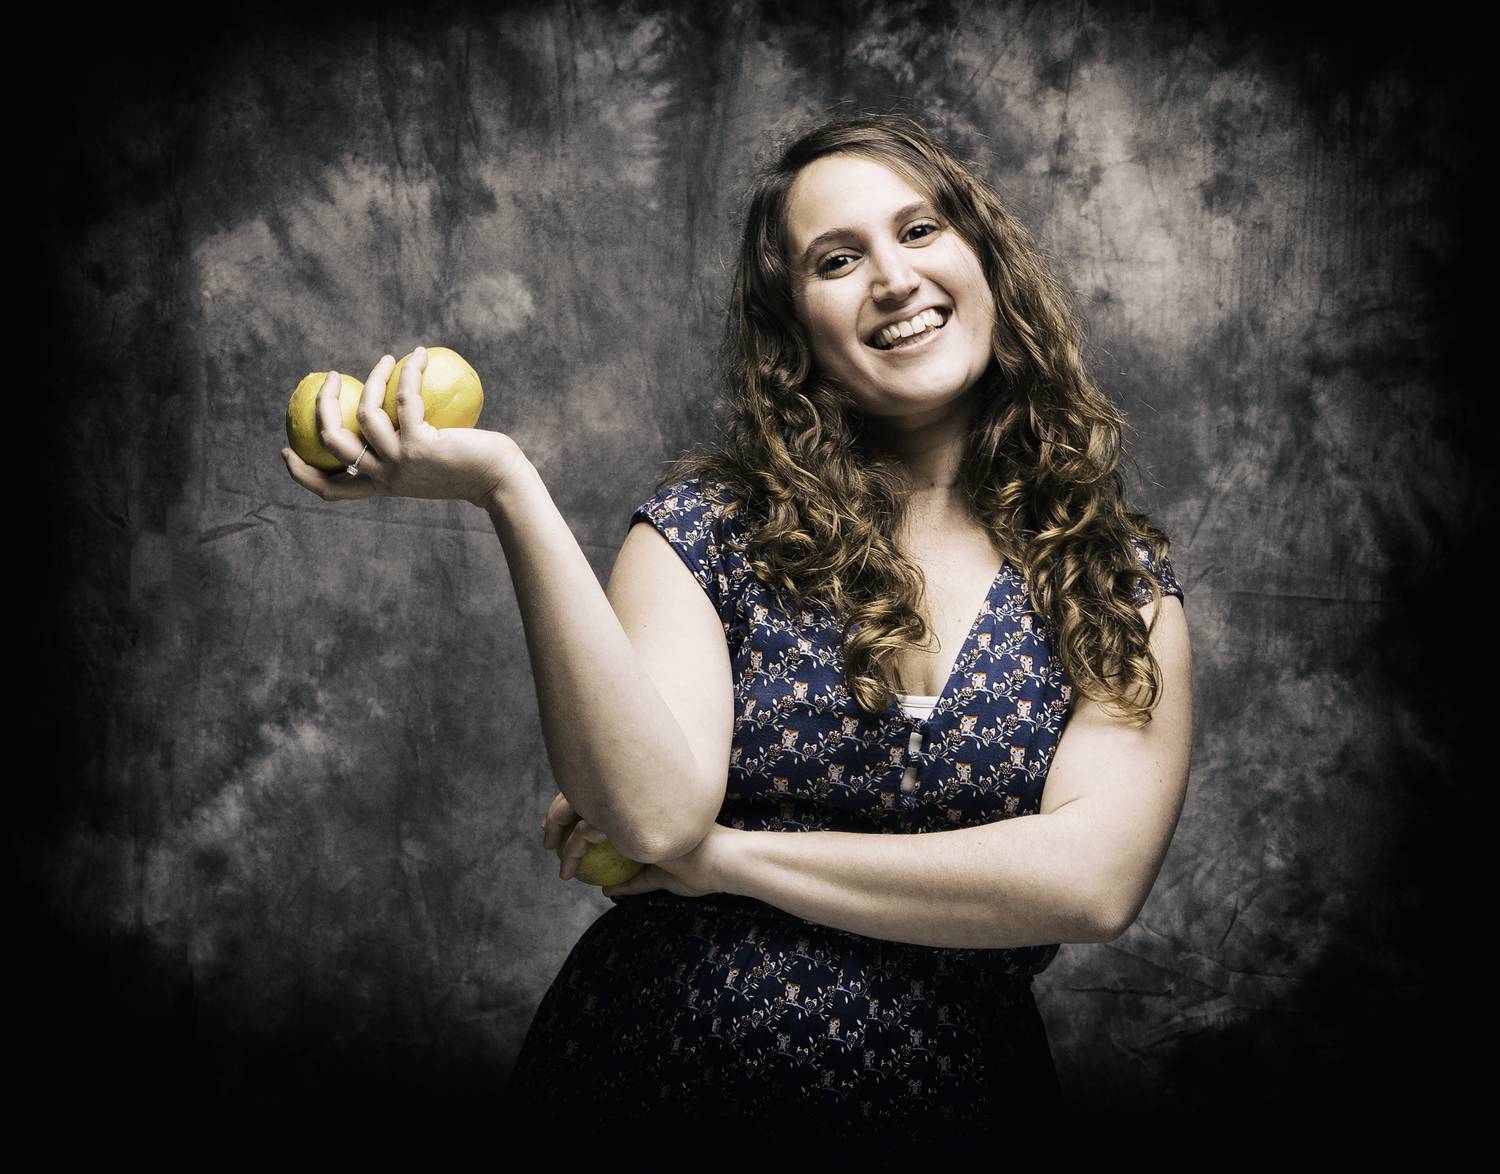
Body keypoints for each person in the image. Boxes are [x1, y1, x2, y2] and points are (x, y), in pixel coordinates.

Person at [280, 112, 1192, 1152]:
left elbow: (1091, 881)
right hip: (661, 1075)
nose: (892, 279)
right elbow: (657, 819)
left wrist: (734, 864)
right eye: (838, 260)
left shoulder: (1113, 578)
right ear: (796, 330)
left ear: (987, 262)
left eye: (922, 230)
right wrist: (507, 488)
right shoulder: (712, 529)